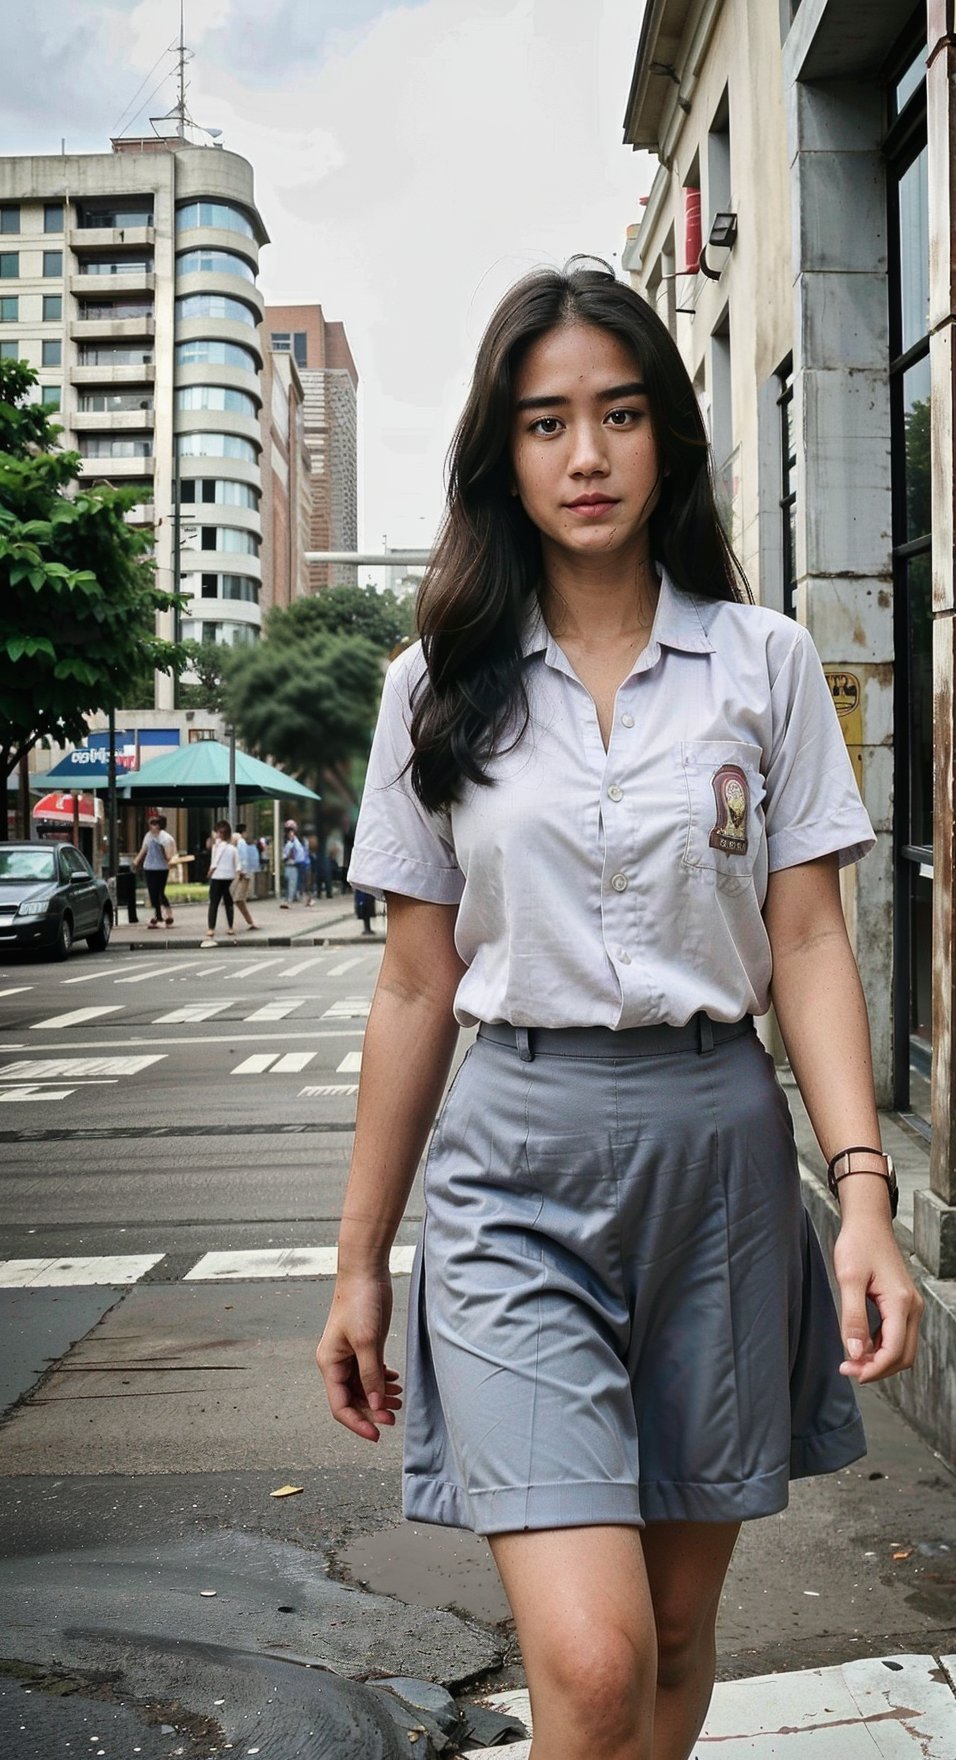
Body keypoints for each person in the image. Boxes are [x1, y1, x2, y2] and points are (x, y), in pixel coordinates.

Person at [315, 262, 923, 1760]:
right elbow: (413, 981)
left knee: (673, 1642)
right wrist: (357, 1264)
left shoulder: (763, 661)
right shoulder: (434, 687)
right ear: (500, 456)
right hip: (511, 1167)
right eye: (545, 424)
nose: (585, 456)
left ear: (667, 441)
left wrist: (863, 1199)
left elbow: (807, 943)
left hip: (718, 1163)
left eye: (620, 414)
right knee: (589, 1663)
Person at [133, 813, 176, 928]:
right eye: (151, 824)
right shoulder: (148, 836)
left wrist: (164, 852)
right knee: (153, 893)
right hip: (149, 867)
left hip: (161, 868)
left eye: (155, 824)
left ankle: (165, 915)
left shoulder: (165, 838)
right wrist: (136, 860)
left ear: (159, 825)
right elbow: (144, 849)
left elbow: (169, 855)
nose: (152, 826)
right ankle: (159, 916)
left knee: (160, 893)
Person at [202, 820, 238, 946]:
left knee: (214, 902)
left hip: (217, 877)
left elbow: (214, 862)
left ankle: (211, 928)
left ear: (218, 833)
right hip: (229, 877)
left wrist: (209, 873)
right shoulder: (232, 848)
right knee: (228, 901)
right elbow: (237, 865)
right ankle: (230, 927)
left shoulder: (216, 847)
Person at [231, 822, 261, 931]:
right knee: (238, 899)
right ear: (244, 832)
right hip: (241, 874)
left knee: (239, 899)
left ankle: (249, 922)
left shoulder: (235, 841)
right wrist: (244, 873)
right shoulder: (242, 842)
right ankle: (249, 922)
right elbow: (243, 858)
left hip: (238, 874)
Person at [280, 820, 304, 908]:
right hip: (290, 865)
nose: (290, 833)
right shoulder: (289, 843)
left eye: (291, 831)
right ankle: (289, 898)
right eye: (288, 831)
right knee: (288, 882)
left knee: (292, 883)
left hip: (294, 865)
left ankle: (290, 898)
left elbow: (297, 855)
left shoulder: (295, 842)